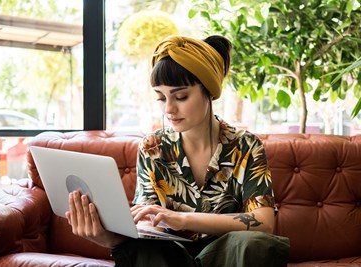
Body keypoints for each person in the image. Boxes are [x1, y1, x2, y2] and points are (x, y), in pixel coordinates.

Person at [66, 35, 290, 266]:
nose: (169, 109)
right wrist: (106, 238)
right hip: (169, 257)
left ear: (209, 91)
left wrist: (183, 219)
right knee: (140, 247)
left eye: (181, 96)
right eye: (161, 98)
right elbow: (145, 221)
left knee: (253, 243)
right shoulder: (152, 148)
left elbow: (263, 222)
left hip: (226, 257)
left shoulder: (246, 147)